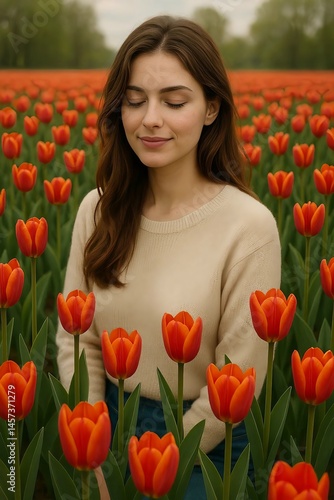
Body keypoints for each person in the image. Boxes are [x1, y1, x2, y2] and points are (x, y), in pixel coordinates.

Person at [56, 15, 281, 498]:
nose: (149, 119)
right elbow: (79, 343)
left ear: (211, 108)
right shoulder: (98, 210)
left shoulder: (249, 226)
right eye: (135, 101)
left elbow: (239, 374)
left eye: (174, 101)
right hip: (107, 426)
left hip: (207, 441)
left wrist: (157, 462)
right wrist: (94, 448)